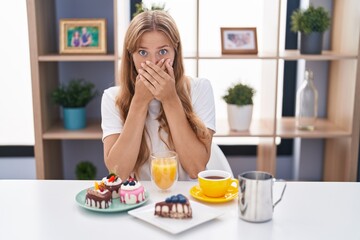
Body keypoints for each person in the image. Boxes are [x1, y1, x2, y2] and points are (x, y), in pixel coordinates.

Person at [101, 10, 215, 181]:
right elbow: (118, 174)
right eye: (143, 52)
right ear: (130, 56)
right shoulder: (112, 98)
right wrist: (139, 102)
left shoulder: (200, 89)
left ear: (175, 51)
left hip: (188, 200)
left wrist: (170, 99)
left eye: (162, 52)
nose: (153, 63)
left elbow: (196, 169)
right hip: (137, 200)